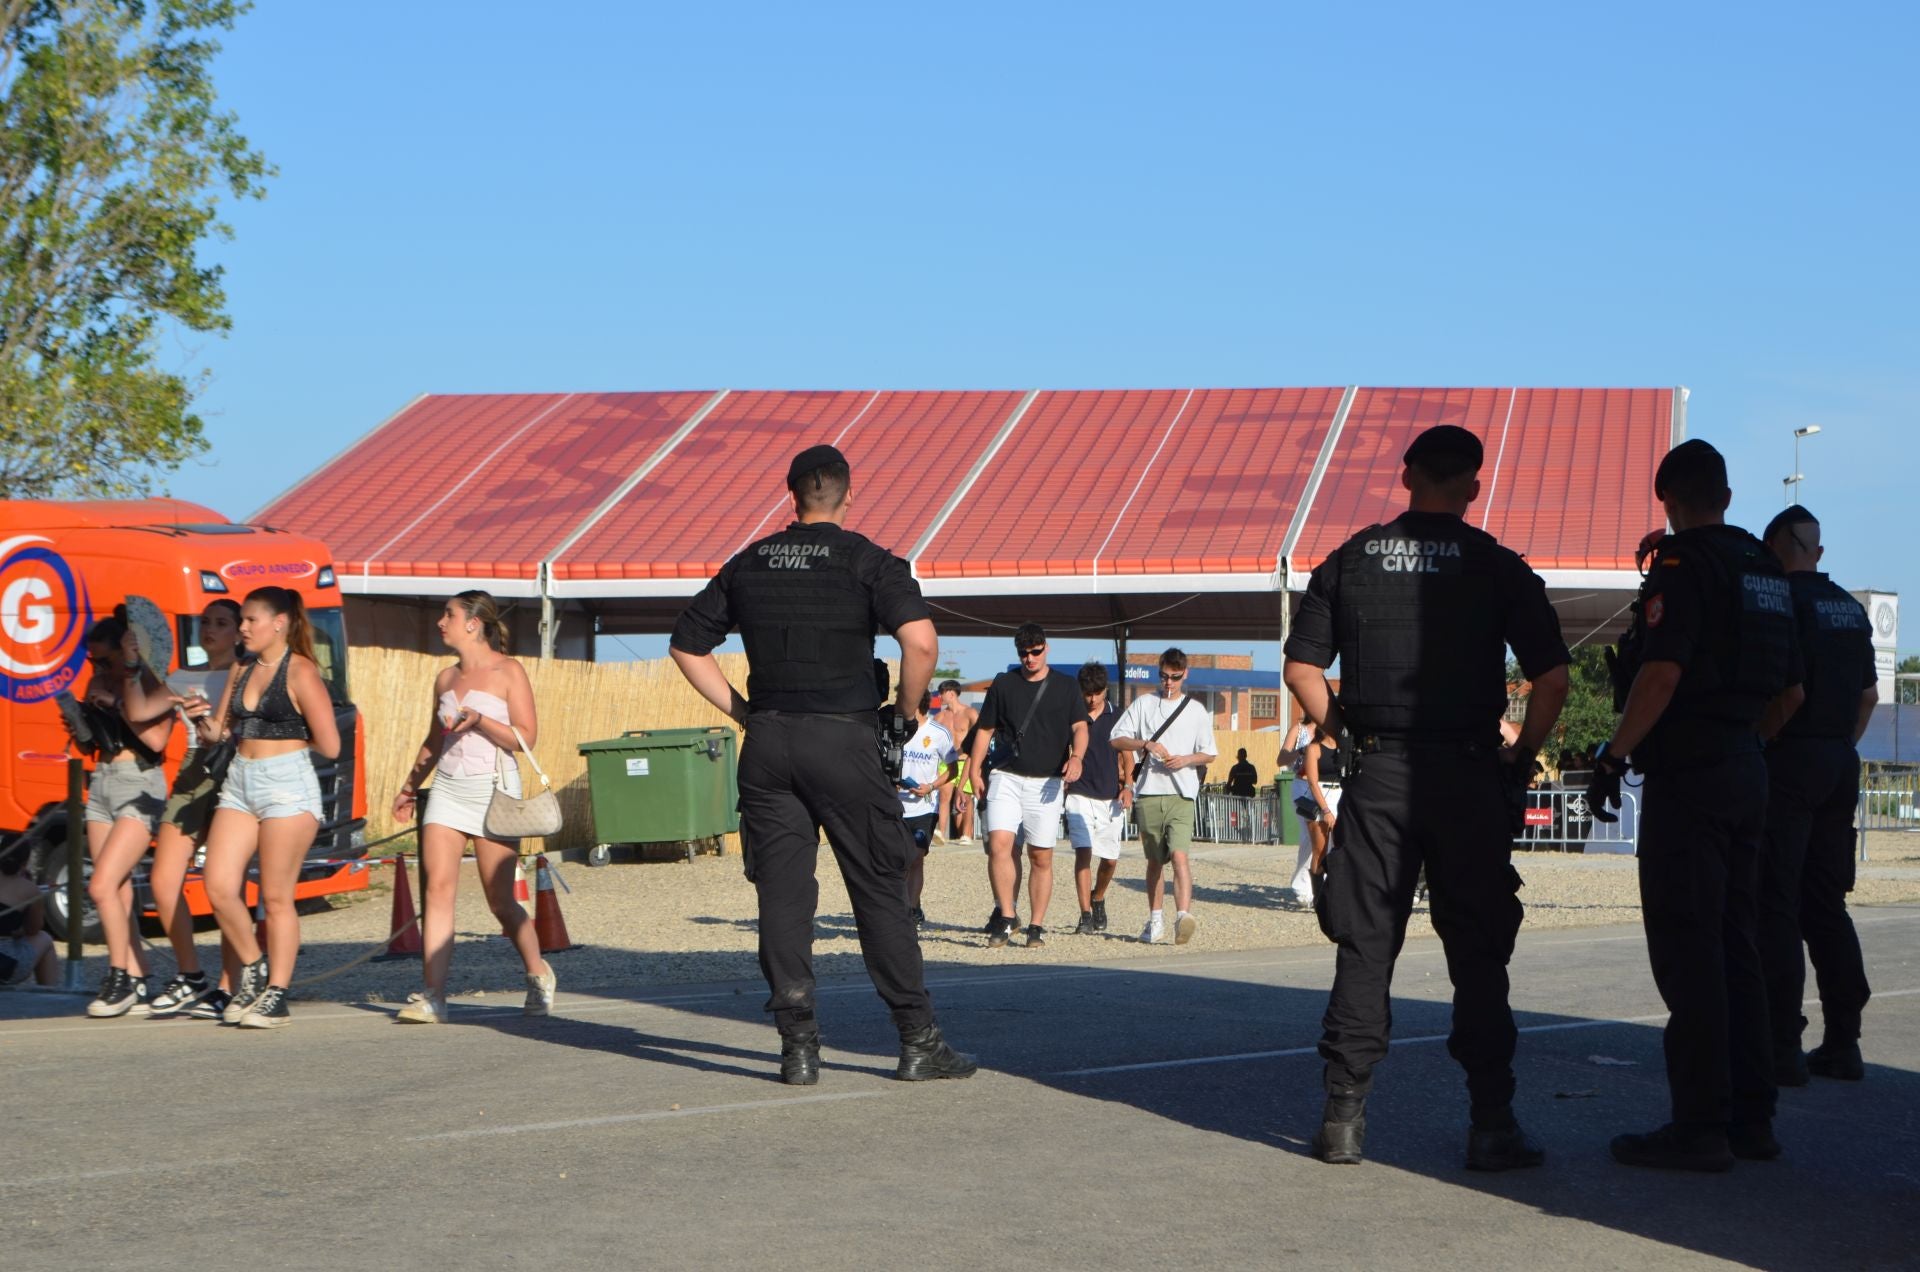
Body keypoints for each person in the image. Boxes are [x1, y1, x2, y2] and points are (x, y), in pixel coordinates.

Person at [1283, 423, 1570, 1171]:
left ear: (1405, 474)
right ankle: (1492, 1121)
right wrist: (1521, 759)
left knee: (1366, 945)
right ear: (1473, 487)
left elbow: (1301, 673)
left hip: (1380, 775)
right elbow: (1553, 679)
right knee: (1478, 953)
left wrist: (1346, 734)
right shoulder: (1499, 567)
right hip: (1470, 778)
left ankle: (1342, 1120)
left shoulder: (1347, 562)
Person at [670, 443, 975, 1085]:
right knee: (878, 891)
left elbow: (686, 645)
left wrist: (747, 713)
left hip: (770, 743)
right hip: (844, 742)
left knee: (783, 898)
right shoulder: (868, 560)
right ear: (847, 495)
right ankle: (918, 1041)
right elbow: (920, 642)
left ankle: (797, 1047)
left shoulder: (748, 563)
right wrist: (906, 710)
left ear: (791, 495)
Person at [1589, 439, 1802, 1171]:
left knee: (1691, 949)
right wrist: (1743, 745)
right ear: (1729, 498)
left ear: (1669, 502)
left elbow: (1661, 674)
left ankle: (1699, 1126)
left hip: (1693, 775)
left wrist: (1614, 755)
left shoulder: (1683, 566)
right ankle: (1754, 1118)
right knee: (1738, 943)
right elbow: (1792, 693)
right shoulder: (1766, 569)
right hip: (1749, 765)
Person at [390, 591, 558, 1024]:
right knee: (437, 890)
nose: (440, 622)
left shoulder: (508, 670)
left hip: (493, 789)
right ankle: (434, 996)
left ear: (474, 623)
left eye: (449, 614)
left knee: (500, 901)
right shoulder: (445, 679)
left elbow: (526, 737)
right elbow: (434, 739)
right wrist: (409, 787)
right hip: (447, 788)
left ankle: (538, 974)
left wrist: (481, 720)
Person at [1755, 506, 1876, 1085]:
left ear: (1776, 546)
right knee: (1826, 905)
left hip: (1791, 761)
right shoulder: (1851, 609)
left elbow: (1791, 693)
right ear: (1818, 552)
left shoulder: (1781, 603)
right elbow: (1869, 697)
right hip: (1837, 761)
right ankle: (1844, 1041)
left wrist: (1761, 742)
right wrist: (1839, 747)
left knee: (1776, 901)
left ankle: (1781, 1044)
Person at [197, 587, 342, 1029]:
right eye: (240, 620)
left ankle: (276, 992)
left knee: (276, 896)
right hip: (240, 781)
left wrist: (286, 743)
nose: (242, 628)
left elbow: (331, 744)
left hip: (286, 786)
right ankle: (254, 966)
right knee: (218, 884)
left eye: (249, 620)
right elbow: (221, 729)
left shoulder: (301, 672)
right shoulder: (242, 666)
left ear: (279, 623)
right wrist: (203, 725)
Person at [135, 599, 244, 1020]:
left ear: (239, 631)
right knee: (163, 879)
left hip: (232, 771)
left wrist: (211, 722)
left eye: (221, 623)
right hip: (193, 769)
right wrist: (134, 667)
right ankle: (190, 974)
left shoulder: (245, 673)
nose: (210, 629)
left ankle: (230, 985)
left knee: (226, 885)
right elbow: (142, 713)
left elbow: (240, 731)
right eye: (205, 622)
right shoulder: (182, 676)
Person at [967, 624, 1090, 948]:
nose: (1030, 658)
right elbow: (985, 730)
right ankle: (1007, 915)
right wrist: (974, 770)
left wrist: (1076, 757)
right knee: (999, 844)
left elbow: (1080, 727)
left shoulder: (1065, 687)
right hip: (1006, 776)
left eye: (1035, 651)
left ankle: (1035, 925)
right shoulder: (1004, 684)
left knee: (1040, 856)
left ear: (1046, 648)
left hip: (1047, 782)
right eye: (1024, 653)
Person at [80, 611, 171, 1018]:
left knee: (100, 885)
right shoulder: (97, 681)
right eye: (92, 662)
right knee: (116, 888)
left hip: (139, 782)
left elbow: (156, 738)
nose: (97, 669)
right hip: (101, 779)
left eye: (103, 660)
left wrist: (117, 703)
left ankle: (118, 977)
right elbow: (94, 742)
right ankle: (137, 973)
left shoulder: (148, 682)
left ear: (126, 651)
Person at [1112, 648, 1217, 944]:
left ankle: (1183, 915)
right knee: (1155, 861)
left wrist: (1186, 760)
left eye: (1175, 677)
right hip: (1148, 792)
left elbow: (1209, 753)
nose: (1168, 683)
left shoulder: (1195, 710)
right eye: (1164, 676)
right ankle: (1155, 919)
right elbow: (1116, 738)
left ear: (1185, 675)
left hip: (1182, 793)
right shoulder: (1144, 704)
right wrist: (1145, 744)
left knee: (1181, 855)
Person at [1065, 661, 1133, 935]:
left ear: (1106, 689)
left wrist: (1128, 786)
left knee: (1110, 859)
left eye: (1097, 692)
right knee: (1084, 852)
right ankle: (1084, 915)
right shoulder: (1072, 715)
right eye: (1087, 692)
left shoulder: (1119, 716)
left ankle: (1098, 897)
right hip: (1079, 793)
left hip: (1111, 797)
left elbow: (1128, 756)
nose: (1091, 698)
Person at [895, 688, 957, 928]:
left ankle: (910, 911)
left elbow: (952, 769)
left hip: (923, 808)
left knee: (916, 858)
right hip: (896, 806)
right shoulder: (896, 730)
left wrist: (931, 786)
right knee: (898, 860)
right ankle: (908, 904)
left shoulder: (939, 733)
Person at [1289, 727, 1341, 906]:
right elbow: (1312, 780)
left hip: (1340, 793)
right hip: (1321, 795)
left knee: (1339, 847)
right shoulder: (1314, 748)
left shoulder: (1343, 747)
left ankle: (1336, 892)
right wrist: (1325, 810)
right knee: (1319, 849)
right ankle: (1318, 897)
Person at [0, 839, 60, 988]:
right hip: (4, 964)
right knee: (45, 938)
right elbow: (33, 929)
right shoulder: (30, 889)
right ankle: (49, 995)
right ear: (25, 863)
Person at [933, 680, 975, 843]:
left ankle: (966, 834)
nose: (940, 696)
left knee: (966, 797)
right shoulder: (940, 716)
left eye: (942, 693)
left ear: (951, 693)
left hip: (965, 760)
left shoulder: (969, 713)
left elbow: (981, 734)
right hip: (947, 761)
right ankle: (941, 832)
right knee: (944, 796)